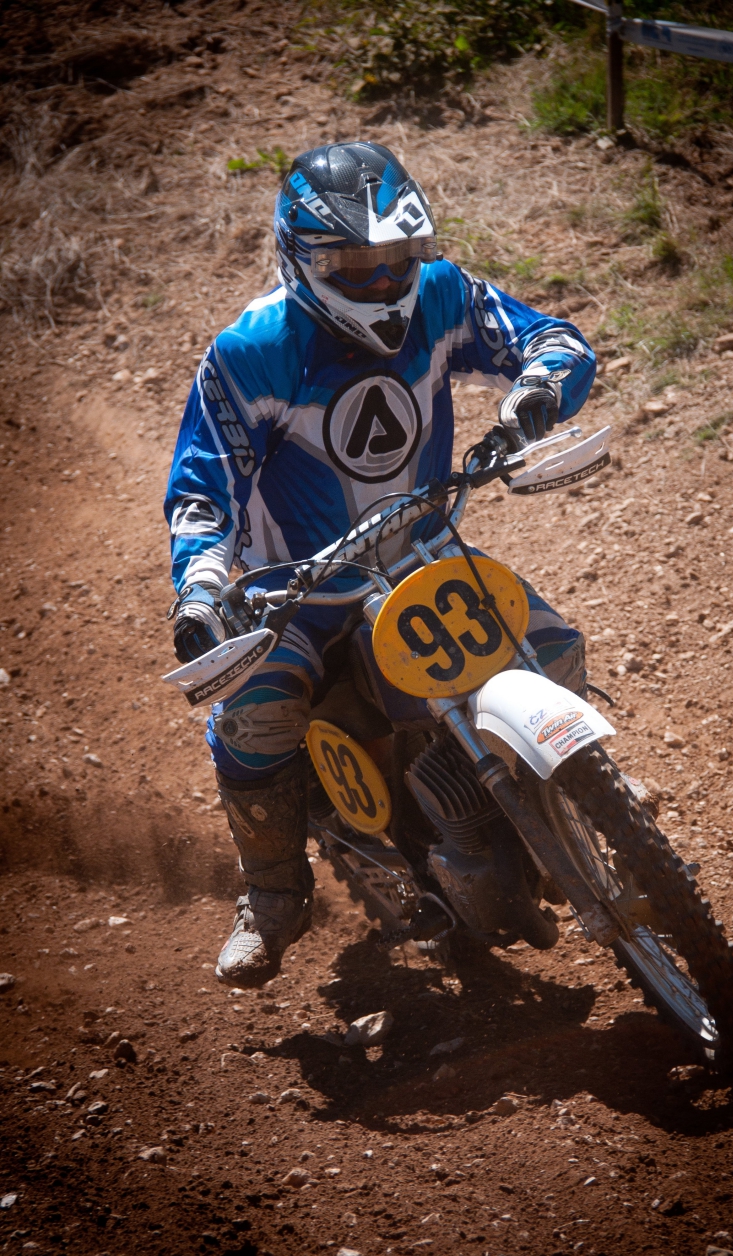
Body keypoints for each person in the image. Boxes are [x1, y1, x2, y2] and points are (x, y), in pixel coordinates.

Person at [164, 141, 596, 989]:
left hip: (424, 553)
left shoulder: (442, 295)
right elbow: (202, 492)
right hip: (296, 591)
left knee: (555, 648)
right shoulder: (250, 352)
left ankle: (571, 800)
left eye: (401, 256)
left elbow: (550, 338)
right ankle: (274, 891)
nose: (386, 279)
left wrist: (540, 385)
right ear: (303, 259)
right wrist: (204, 589)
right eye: (357, 266)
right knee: (255, 719)